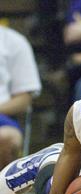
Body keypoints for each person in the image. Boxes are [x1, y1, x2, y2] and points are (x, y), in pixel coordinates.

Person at [0, 26, 41, 170]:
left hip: (2, 115)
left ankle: (4, 191)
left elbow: (24, 100)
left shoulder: (14, 42)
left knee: (7, 137)